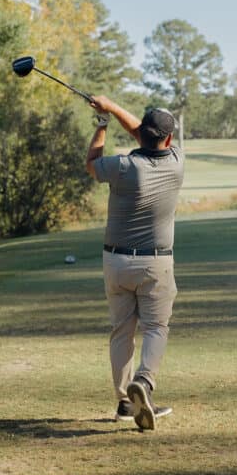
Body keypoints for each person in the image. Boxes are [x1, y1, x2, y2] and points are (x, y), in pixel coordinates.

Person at [85, 96, 184, 431]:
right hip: (155, 263)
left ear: (141, 133)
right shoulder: (176, 162)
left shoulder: (122, 166)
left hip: (115, 261)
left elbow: (92, 164)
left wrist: (102, 121)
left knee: (121, 332)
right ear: (168, 139)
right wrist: (111, 108)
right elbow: (144, 135)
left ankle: (125, 402)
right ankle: (144, 381)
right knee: (156, 328)